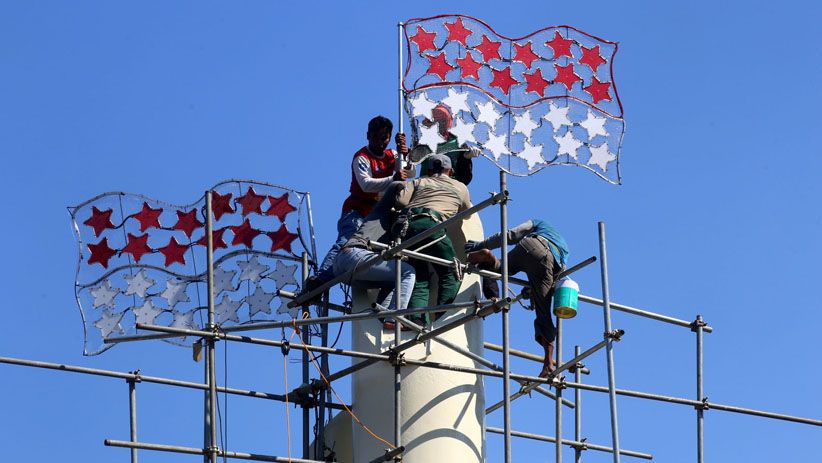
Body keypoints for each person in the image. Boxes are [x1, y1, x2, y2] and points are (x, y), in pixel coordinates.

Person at [314, 116, 413, 286]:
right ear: (368, 136)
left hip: (378, 214)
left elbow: (409, 174)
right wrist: (393, 178)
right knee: (347, 241)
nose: (380, 142)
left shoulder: (393, 154)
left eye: (384, 138)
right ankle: (320, 278)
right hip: (357, 211)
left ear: (389, 137)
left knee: (378, 246)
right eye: (376, 137)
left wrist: (406, 156)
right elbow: (366, 184)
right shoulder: (361, 157)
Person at [465, 219, 569, 378]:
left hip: (526, 245)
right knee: (544, 314)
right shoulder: (564, 253)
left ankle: (488, 259)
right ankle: (548, 363)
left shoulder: (540, 223)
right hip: (545, 256)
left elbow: (510, 235)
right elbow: (550, 277)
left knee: (499, 268)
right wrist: (535, 293)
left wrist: (482, 245)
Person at [395, 154, 472, 321]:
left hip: (408, 228)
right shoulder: (460, 187)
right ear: (450, 171)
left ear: (429, 170)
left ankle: (416, 318)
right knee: (450, 272)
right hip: (432, 226)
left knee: (419, 276)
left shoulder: (419, 181)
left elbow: (400, 202)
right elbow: (467, 213)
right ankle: (442, 317)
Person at [333, 182, 415, 321]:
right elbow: (394, 187)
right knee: (407, 272)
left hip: (346, 269)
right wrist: (410, 186)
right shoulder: (381, 212)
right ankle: (394, 319)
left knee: (395, 281)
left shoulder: (396, 230)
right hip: (355, 254)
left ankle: (383, 316)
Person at [413, 105, 481, 185]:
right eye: (432, 120)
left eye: (441, 120)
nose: (437, 124)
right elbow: (411, 165)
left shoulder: (458, 144)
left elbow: (465, 179)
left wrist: (466, 159)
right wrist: (405, 155)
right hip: (427, 186)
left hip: (450, 187)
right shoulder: (423, 144)